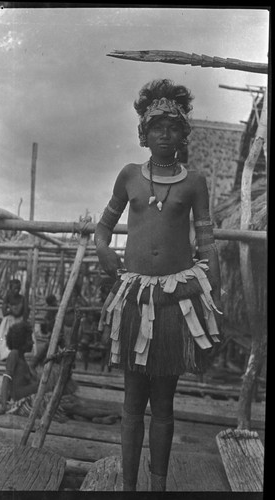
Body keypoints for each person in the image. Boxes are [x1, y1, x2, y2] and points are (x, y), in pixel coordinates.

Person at [95, 79, 222, 491]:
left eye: (172, 126)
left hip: (174, 301)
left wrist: (210, 291)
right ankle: (128, 485)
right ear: (143, 134)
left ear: (183, 133)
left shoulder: (194, 182)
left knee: (163, 405)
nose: (164, 134)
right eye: (156, 127)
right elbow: (102, 229)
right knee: (132, 404)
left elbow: (206, 243)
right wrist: (103, 250)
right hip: (134, 299)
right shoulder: (129, 176)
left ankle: (158, 486)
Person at [0, 320, 121, 424]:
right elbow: (6, 378)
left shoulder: (21, 358)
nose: (32, 343)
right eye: (29, 339)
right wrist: (4, 405)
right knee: (69, 406)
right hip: (26, 402)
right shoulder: (14, 354)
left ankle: (97, 418)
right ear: (21, 341)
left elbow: (29, 370)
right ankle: (109, 413)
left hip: (33, 397)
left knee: (68, 404)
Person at [0, 279, 26, 361]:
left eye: (18, 288)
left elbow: (18, 313)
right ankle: (5, 355)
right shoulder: (7, 297)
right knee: (3, 337)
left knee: (16, 339)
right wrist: (13, 308)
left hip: (18, 321)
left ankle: (15, 356)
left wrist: (10, 307)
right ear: (11, 288)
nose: (17, 290)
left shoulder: (22, 298)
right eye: (15, 288)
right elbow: (4, 312)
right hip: (7, 321)